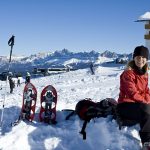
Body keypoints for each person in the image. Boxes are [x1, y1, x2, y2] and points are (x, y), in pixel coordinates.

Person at [117, 45, 150, 149]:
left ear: (146, 59)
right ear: (134, 58)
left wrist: (147, 100)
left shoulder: (144, 74)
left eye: (143, 57)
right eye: (138, 57)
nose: (140, 60)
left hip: (137, 105)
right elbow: (132, 93)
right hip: (125, 106)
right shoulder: (128, 73)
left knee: (147, 107)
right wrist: (146, 102)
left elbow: (146, 91)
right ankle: (147, 143)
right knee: (146, 109)